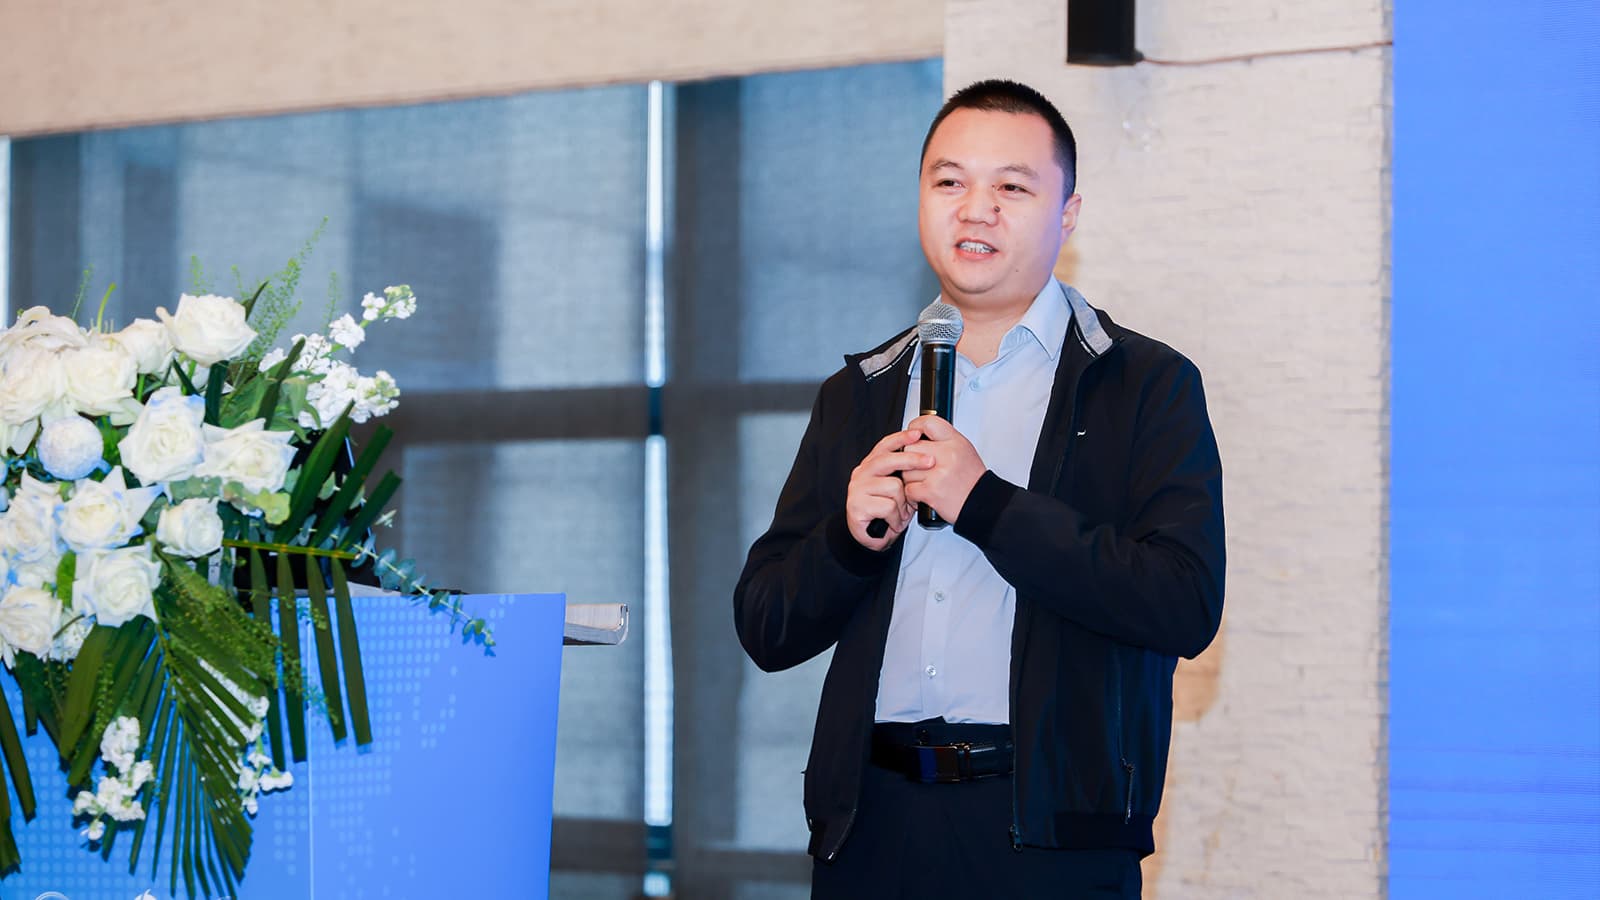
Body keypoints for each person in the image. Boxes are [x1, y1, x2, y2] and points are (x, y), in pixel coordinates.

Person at [733, 79, 1225, 899]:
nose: (976, 209)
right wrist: (847, 540)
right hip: (871, 829)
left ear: (1068, 214)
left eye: (1012, 188)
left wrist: (986, 503)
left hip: (1050, 837)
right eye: (950, 181)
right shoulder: (859, 392)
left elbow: (1183, 602)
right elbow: (766, 626)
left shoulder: (1145, 385)